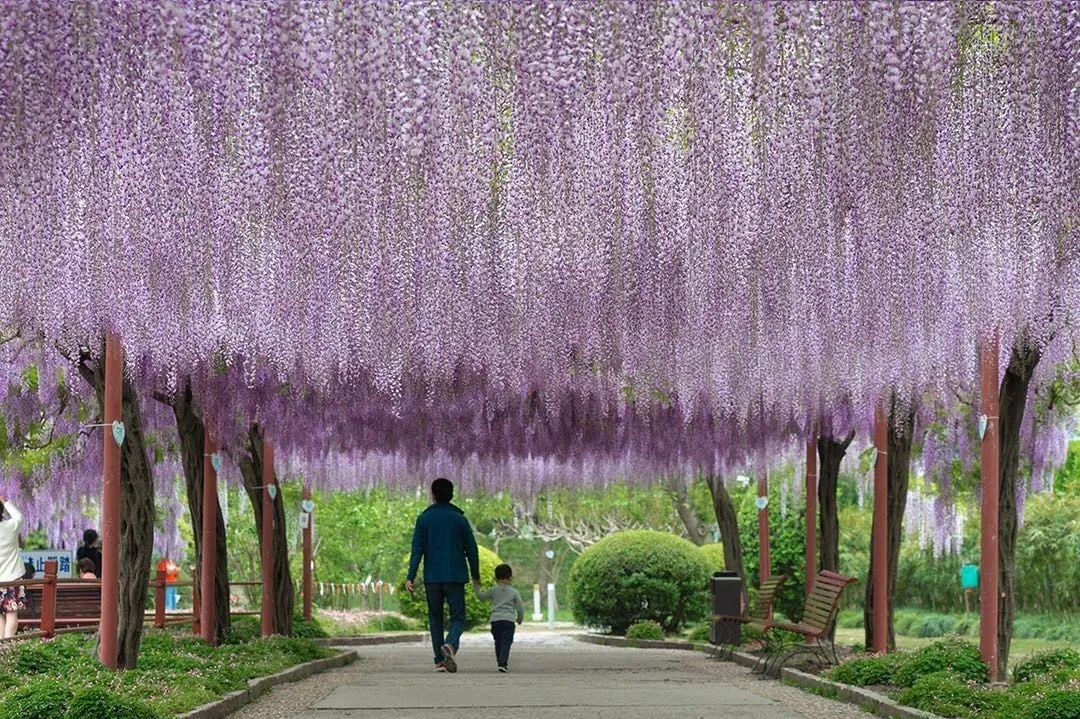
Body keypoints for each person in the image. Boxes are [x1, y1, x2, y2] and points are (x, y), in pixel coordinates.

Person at [405, 478, 480, 673]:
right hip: (455, 576)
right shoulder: (460, 520)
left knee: (435, 618)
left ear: (433, 495)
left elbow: (417, 550)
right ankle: (451, 644)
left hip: (432, 577)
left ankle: (439, 660)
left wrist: (410, 576)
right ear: (452, 495)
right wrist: (475, 574)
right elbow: (472, 550)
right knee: (458, 618)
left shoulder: (424, 519)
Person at [474, 564, 525, 673]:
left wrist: (476, 586)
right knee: (506, 642)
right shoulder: (514, 591)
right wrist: (520, 618)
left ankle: (500, 662)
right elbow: (520, 607)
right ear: (510, 578)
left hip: (495, 621)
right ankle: (503, 663)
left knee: (498, 642)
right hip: (509, 621)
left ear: (496, 578)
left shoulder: (493, 590)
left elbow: (481, 597)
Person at [0, 498, 25, 638]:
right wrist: (5, 501)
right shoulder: (11, 526)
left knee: (0, 615)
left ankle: (1, 645)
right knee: (11, 614)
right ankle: (8, 645)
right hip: (12, 577)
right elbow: (19, 516)